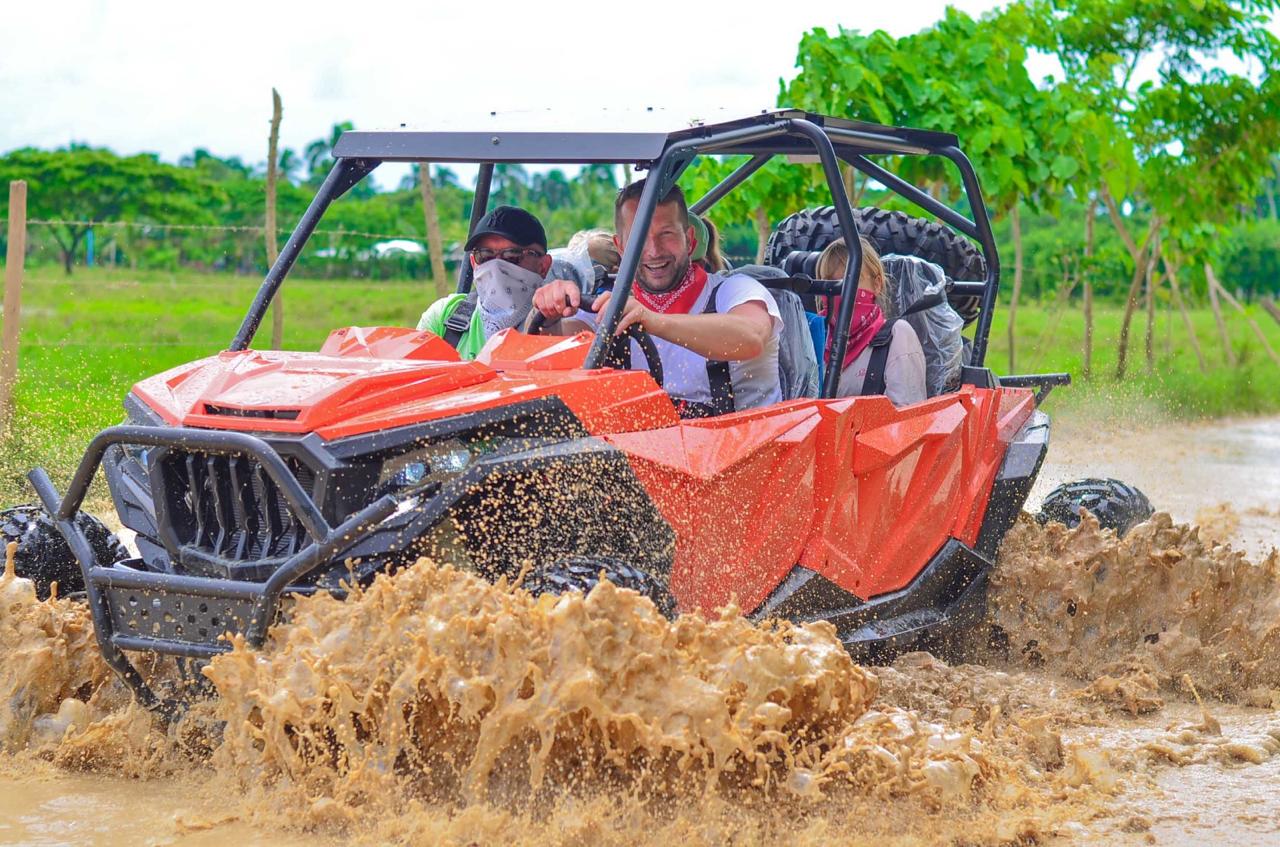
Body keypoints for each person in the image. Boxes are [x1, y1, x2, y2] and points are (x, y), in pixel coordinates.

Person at [532, 179, 782, 416]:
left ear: (690, 240)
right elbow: (553, 350)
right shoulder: (608, 303)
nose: (653, 251)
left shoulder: (736, 290)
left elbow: (751, 338)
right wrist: (551, 312)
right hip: (645, 455)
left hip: (746, 454)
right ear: (621, 247)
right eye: (639, 237)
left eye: (666, 234)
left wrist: (652, 320)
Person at [417, 205, 567, 360]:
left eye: (511, 255)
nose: (496, 266)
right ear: (474, 263)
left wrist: (553, 320)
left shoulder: (563, 318)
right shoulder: (443, 318)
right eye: (485, 255)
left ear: (543, 266)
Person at [817, 237, 927, 407]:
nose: (840, 291)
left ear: (876, 284)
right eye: (831, 282)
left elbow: (906, 418)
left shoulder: (896, 336)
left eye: (851, 280)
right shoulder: (814, 336)